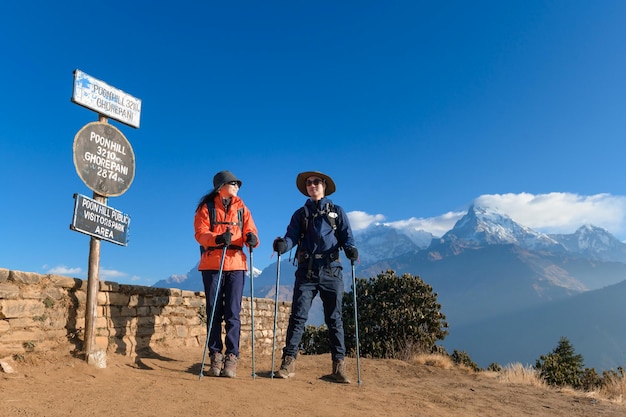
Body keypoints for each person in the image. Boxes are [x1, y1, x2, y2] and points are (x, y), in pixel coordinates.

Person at [272, 171, 358, 383]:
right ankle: (288, 363)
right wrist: (284, 245)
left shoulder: (337, 212)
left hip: (331, 269)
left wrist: (351, 250)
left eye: (316, 182)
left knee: (334, 319)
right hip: (307, 271)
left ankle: (339, 367)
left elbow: (347, 237)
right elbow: (291, 236)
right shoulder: (300, 214)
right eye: (309, 183)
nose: (312, 185)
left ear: (324, 185)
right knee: (298, 317)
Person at [194, 170, 259, 378]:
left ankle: (232, 356)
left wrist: (252, 239)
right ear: (221, 186)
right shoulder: (207, 208)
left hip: (237, 264)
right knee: (214, 312)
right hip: (213, 263)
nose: (237, 187)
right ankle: (215, 354)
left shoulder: (242, 208)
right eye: (233, 183)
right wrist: (218, 238)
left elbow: (253, 232)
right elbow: (200, 233)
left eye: (237, 184)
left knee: (233, 313)